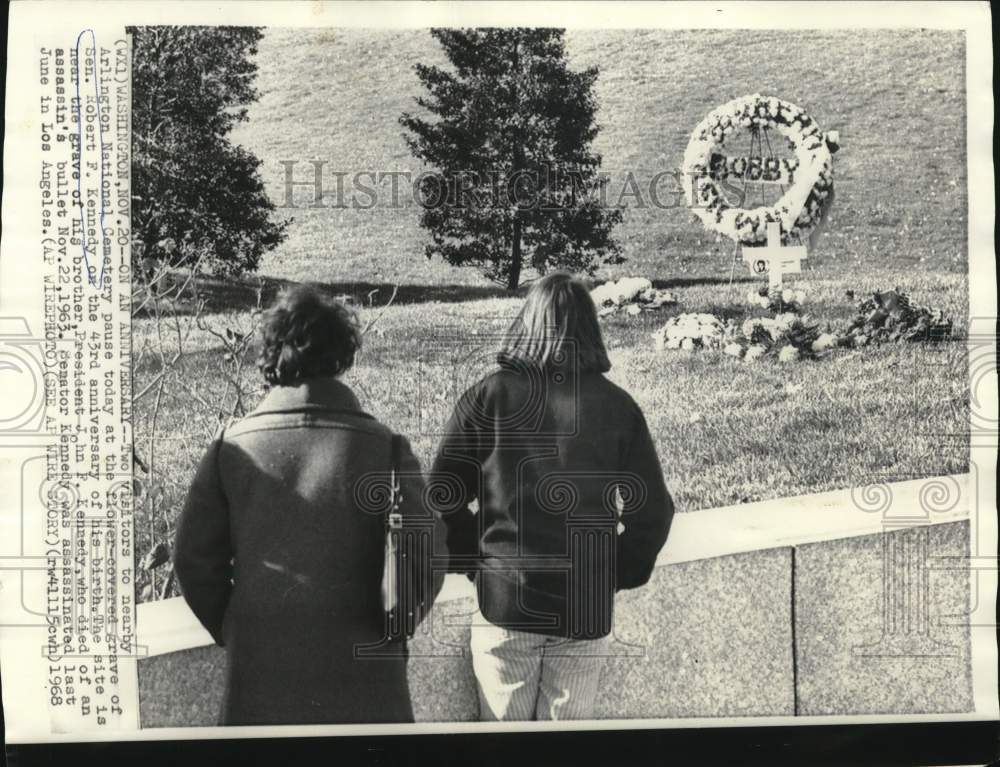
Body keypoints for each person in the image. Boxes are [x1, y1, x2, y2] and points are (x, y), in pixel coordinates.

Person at [173, 284, 444, 725]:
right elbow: (427, 557)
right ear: (342, 354)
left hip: (261, 671)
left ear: (271, 351)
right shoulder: (387, 448)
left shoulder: (231, 448)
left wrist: (237, 628)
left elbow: (194, 561)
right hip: (366, 673)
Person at [431, 272, 674, 721]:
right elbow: (653, 512)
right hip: (584, 604)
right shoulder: (617, 406)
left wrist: (476, 562)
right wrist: (611, 573)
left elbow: (440, 498)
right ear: (590, 329)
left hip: (505, 600)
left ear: (526, 323)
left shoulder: (487, 398)